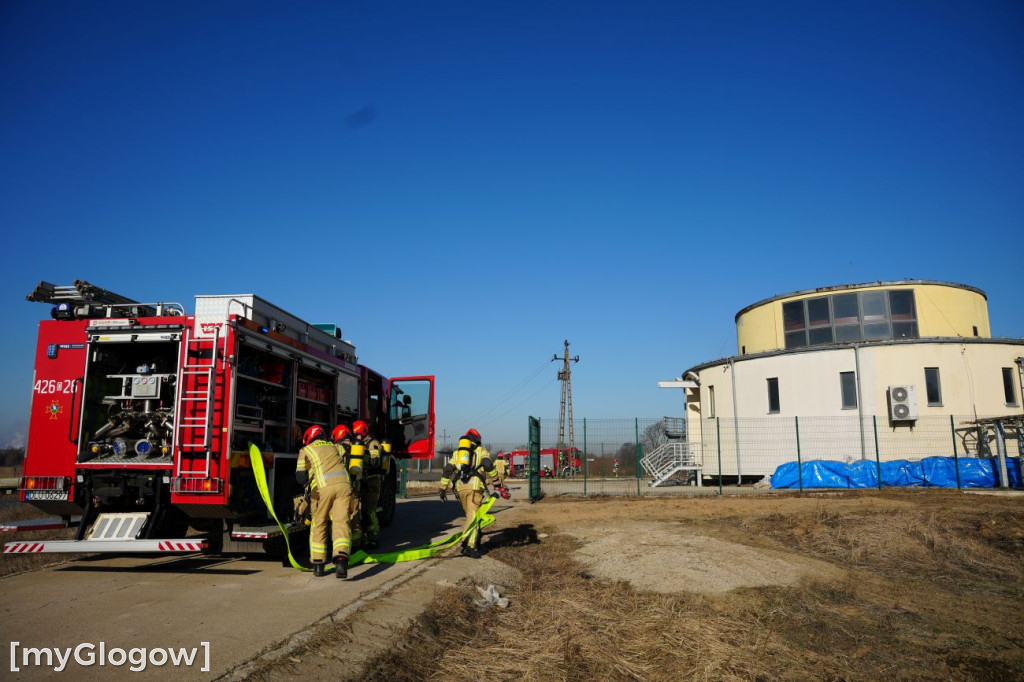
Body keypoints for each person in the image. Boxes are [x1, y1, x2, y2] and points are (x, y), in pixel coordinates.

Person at [297, 425, 352, 579]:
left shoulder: (306, 450)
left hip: (323, 490)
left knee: (319, 524)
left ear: (308, 437)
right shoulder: (336, 446)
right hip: (344, 487)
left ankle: (319, 565)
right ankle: (341, 561)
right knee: (341, 522)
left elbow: (300, 478)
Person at [438, 428, 500, 558]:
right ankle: (469, 546)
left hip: (461, 489)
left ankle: (472, 540)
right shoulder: (481, 451)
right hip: (474, 489)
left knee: (470, 516)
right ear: (478, 440)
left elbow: (447, 470)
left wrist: (443, 488)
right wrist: (497, 482)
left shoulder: (457, 454)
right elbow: (488, 465)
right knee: (473, 517)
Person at [353, 420, 390, 550]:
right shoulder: (363, 443)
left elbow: (374, 460)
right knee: (360, 510)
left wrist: (362, 457)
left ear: (363, 433)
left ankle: (373, 538)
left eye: (357, 434)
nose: (356, 437)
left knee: (370, 511)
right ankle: (363, 537)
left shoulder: (373, 444)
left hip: (372, 482)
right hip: (364, 481)